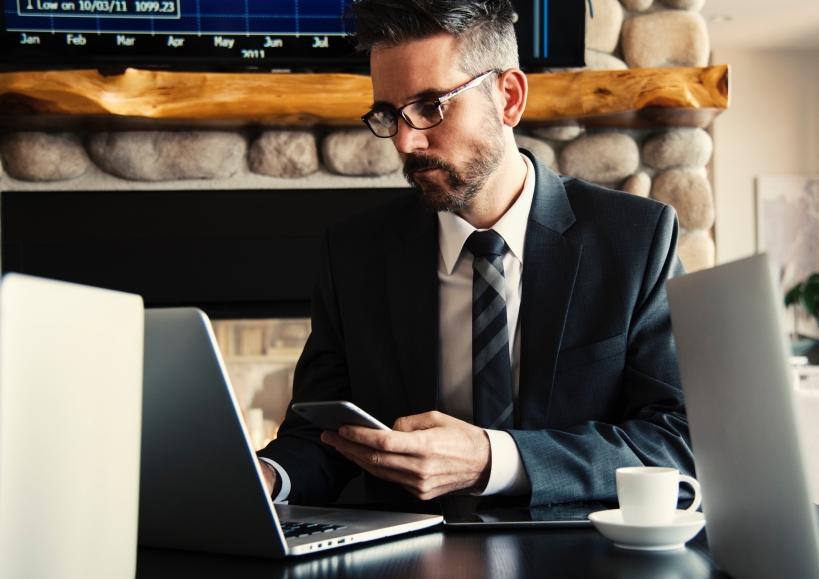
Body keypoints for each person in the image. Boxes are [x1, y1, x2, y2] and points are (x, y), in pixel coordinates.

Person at [257, 0, 694, 506]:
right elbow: (320, 436)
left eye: (430, 107)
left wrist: (493, 459)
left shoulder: (636, 240)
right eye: (388, 114)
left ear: (508, 98)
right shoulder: (352, 254)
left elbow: (678, 440)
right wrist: (266, 476)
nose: (405, 140)